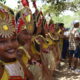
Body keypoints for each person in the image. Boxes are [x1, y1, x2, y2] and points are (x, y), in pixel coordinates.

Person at [0, 3, 33, 80]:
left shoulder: (17, 59)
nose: (10, 44)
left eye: (13, 39)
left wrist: (20, 61)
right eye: (2, 41)